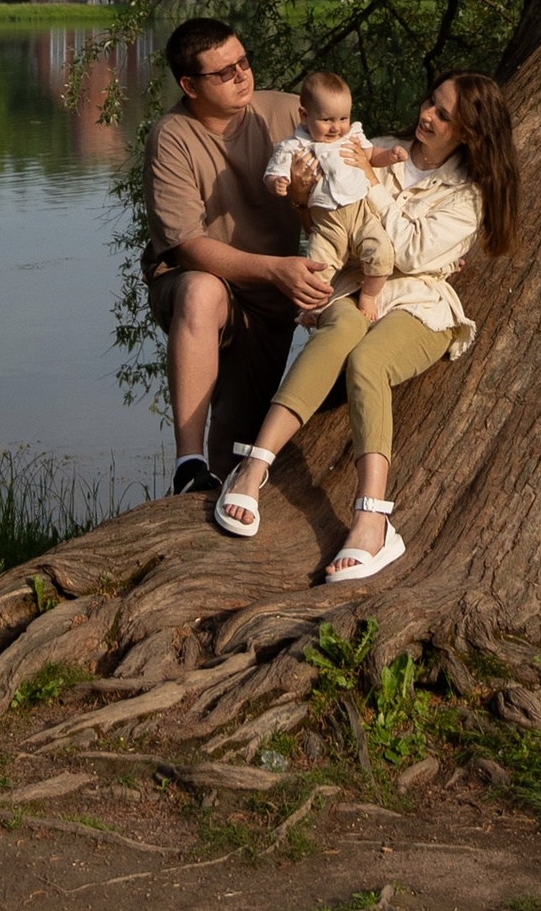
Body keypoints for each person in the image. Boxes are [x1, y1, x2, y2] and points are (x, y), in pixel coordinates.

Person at [210, 69, 518, 584]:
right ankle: (254, 466)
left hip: (422, 302)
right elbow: (328, 222)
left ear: (469, 132)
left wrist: (368, 185)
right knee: (341, 334)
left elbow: (414, 253)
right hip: (354, 287)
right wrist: (304, 194)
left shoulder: (468, 193)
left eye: (444, 115)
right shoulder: (373, 146)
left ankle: (372, 519)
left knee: (368, 361)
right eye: (430, 102)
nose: (427, 115)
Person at [142, 16, 330, 495]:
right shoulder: (172, 137)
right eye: (225, 71)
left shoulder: (291, 114)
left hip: (272, 299)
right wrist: (275, 270)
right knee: (203, 290)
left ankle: (211, 500)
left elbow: (363, 156)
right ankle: (188, 463)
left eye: (244, 62)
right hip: (195, 282)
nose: (243, 75)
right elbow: (187, 246)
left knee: (237, 448)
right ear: (190, 85)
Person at [261, 64, 404, 297]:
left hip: (360, 212)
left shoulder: (352, 136)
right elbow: (274, 171)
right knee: (316, 268)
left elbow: (370, 156)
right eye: (327, 120)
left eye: (343, 118)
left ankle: (369, 296)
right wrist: (276, 182)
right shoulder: (294, 146)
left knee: (382, 251)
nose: (336, 127)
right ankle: (313, 307)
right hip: (326, 223)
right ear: (305, 116)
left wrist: (389, 156)